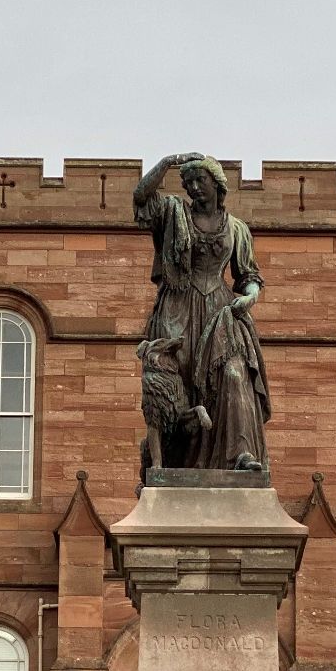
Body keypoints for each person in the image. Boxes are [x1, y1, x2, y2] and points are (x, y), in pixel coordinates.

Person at [133, 152, 270, 471]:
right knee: (175, 384)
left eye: (200, 180)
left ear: (217, 184)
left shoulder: (236, 229)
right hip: (177, 308)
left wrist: (250, 296)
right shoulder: (172, 212)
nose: (193, 187)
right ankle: (168, 462)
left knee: (234, 374)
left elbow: (248, 276)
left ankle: (239, 454)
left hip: (221, 312)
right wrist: (169, 162)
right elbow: (141, 196)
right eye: (188, 181)